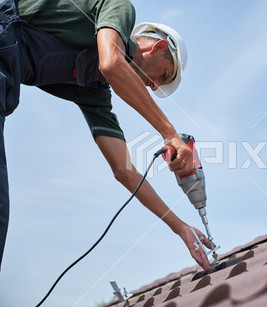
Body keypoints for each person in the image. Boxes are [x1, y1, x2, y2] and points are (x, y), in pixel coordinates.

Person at [0, 0, 212, 273]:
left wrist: (180, 227)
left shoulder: (95, 91)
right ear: (158, 48)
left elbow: (124, 171)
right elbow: (112, 62)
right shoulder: (118, 7)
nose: (154, 85)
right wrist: (170, 133)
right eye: (163, 75)